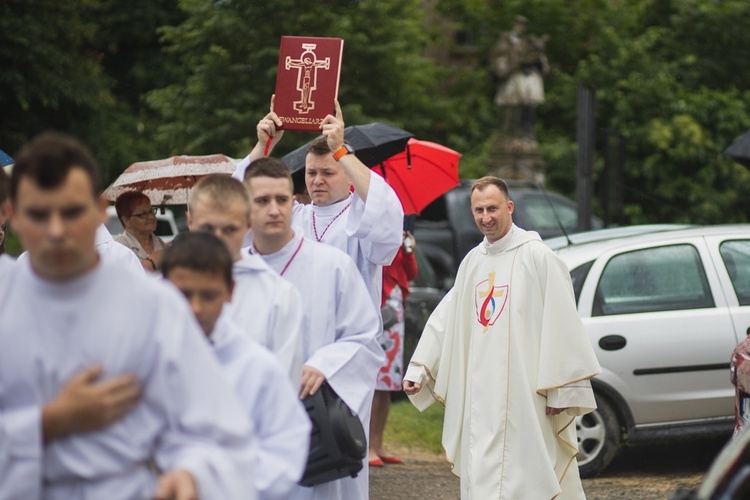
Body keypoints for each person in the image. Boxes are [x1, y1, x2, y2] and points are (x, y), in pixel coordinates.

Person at [0, 132, 256, 499]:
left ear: (96, 211)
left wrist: (189, 470)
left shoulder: (154, 307)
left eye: (71, 212)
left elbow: (212, 424)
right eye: (38, 214)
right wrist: (48, 423)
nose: (56, 231)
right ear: (13, 215)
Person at [403, 176, 601, 500]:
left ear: (509, 207)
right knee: (481, 471)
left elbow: (562, 321)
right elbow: (446, 318)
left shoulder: (538, 257)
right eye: (478, 210)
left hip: (527, 394)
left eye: (492, 208)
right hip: (480, 396)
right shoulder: (472, 262)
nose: (486, 217)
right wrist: (420, 369)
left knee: (529, 474)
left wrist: (561, 388)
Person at [242, 157, 384, 500]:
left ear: (294, 203)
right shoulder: (230, 273)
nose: (274, 210)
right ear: (245, 209)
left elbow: (365, 339)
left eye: (281, 199)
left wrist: (326, 363)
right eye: (262, 201)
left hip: (313, 426)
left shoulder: (333, 266)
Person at [161, 232, 311, 500]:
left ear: (230, 291)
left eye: (208, 296)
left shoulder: (258, 368)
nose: (195, 308)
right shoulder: (141, 359)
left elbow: (285, 448)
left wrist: (209, 484)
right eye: (184, 294)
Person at [233, 98, 404, 311]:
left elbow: (386, 215)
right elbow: (234, 205)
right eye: (311, 173)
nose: (317, 180)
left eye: (328, 173)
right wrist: (263, 146)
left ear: (349, 177)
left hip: (346, 337)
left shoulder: (361, 219)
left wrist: (340, 150)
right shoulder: (289, 216)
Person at [187, 174, 304, 381]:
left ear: (248, 224)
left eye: (229, 229)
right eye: (207, 228)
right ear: (190, 221)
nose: (218, 239)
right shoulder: (163, 292)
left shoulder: (279, 295)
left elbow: (283, 382)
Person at [369, 230, 418, 467]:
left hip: (395, 317)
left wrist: (407, 248)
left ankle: (378, 444)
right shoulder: (376, 238)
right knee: (373, 382)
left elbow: (412, 273)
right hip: (378, 313)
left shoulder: (398, 240)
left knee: (386, 384)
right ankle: (367, 446)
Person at [489, 15, 550, 138]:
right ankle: (507, 133)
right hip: (512, 76)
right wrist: (507, 69)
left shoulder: (528, 41)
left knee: (528, 103)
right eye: (518, 25)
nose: (520, 28)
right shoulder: (506, 40)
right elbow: (500, 59)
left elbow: (541, 60)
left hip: (525, 76)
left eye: (523, 25)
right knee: (510, 104)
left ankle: (525, 131)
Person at [113, 191, 167, 272]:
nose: (151, 217)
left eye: (151, 211)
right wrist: (151, 263)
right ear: (126, 220)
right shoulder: (118, 247)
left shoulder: (161, 243)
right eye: (143, 214)